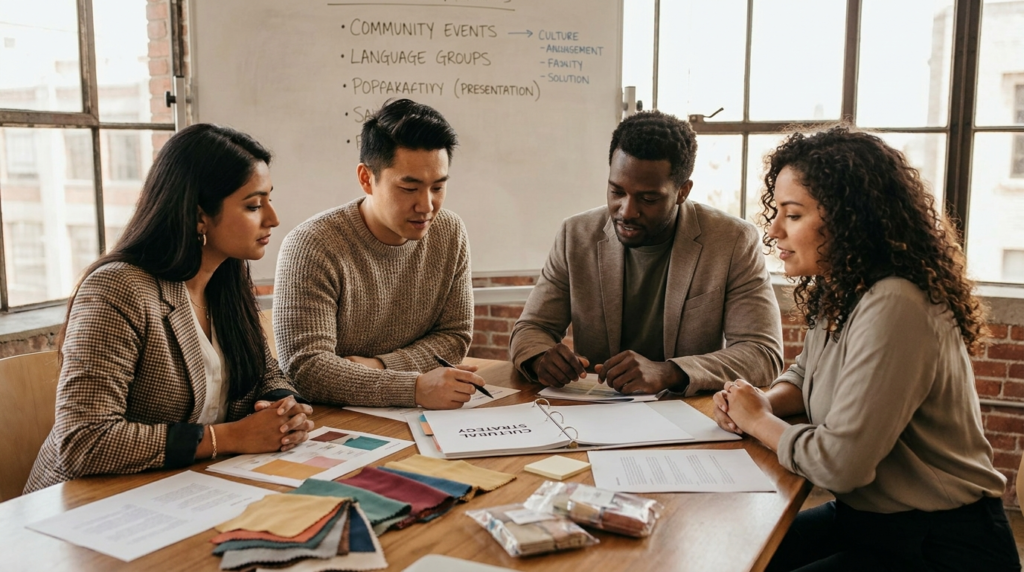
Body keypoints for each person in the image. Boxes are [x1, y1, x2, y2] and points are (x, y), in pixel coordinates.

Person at [714, 126, 1020, 571]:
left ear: (848, 218)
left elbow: (840, 466)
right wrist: (766, 400)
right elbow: (805, 373)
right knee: (734, 556)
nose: (774, 230)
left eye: (793, 215)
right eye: (776, 211)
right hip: (871, 520)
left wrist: (757, 420)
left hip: (943, 543)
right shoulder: (843, 288)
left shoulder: (897, 302)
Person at [25, 124, 313, 493]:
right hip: (87, 504)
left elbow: (266, 372)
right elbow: (83, 441)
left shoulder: (227, 278)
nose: (272, 218)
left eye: (269, 199)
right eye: (254, 205)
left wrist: (285, 409)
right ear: (198, 216)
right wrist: (227, 438)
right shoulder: (117, 289)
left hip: (183, 490)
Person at [509, 110, 783, 395]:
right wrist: (540, 357)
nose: (626, 211)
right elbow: (530, 328)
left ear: (682, 191)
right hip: (595, 412)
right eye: (617, 192)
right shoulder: (576, 235)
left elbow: (763, 354)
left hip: (689, 415)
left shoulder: (732, 241)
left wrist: (669, 372)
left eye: (648, 198)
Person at [274, 99, 482, 410]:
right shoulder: (313, 245)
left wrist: (380, 366)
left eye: (437, 187)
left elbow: (454, 336)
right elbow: (306, 369)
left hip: (415, 418)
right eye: (409, 188)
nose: (426, 206)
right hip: (333, 420)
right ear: (366, 178)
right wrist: (414, 387)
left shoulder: (449, 232)